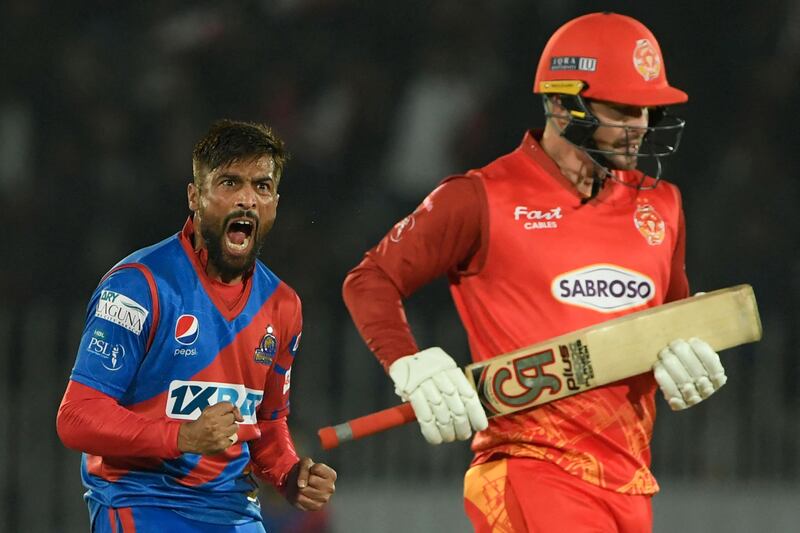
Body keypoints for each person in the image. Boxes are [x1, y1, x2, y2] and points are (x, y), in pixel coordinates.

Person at [342, 12, 726, 532]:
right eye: (624, 108)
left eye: (648, 110)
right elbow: (370, 280)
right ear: (564, 104)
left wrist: (689, 354)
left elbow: (670, 323)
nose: (642, 125)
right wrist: (408, 364)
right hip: (528, 469)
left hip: (632, 483)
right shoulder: (480, 197)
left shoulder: (663, 205)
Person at [57, 119, 336, 532]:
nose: (247, 200)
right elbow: (77, 416)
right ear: (195, 196)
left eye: (261, 186)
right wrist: (181, 437)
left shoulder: (284, 306)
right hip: (142, 500)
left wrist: (290, 475)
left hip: (234, 510)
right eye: (229, 183)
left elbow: (267, 424)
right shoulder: (139, 286)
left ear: (276, 201)